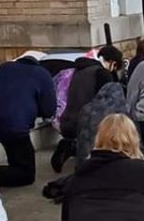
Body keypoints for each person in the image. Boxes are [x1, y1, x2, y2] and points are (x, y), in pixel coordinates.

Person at [0, 52, 56, 188]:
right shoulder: (42, 74)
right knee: (26, 174)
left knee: (17, 155)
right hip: (15, 125)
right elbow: (49, 109)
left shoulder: (4, 68)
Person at [52, 45, 124, 173]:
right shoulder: (102, 74)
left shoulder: (79, 70)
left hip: (68, 119)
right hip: (89, 121)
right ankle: (72, 147)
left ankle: (68, 145)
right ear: (113, 63)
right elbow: (109, 102)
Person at [75, 81, 131, 162]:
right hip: (115, 157)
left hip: (88, 154)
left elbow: (80, 133)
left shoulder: (87, 108)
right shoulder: (123, 112)